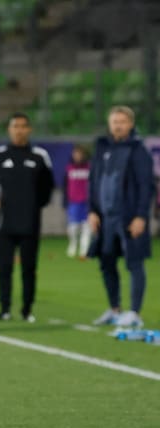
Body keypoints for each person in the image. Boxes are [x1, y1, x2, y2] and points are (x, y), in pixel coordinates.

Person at [0, 112, 54, 322]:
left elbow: (48, 187)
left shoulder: (39, 156)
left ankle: (27, 310)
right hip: (5, 222)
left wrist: (33, 205)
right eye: (15, 126)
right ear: (9, 129)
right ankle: (4, 309)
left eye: (23, 126)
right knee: (4, 268)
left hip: (30, 222)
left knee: (29, 268)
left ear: (29, 129)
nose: (19, 130)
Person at [88, 106, 153, 328]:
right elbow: (93, 181)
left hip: (128, 217)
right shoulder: (102, 148)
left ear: (131, 124)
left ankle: (134, 312)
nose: (118, 125)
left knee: (134, 263)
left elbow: (146, 186)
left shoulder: (138, 150)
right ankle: (114, 309)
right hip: (105, 217)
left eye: (122, 122)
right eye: (114, 121)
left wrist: (141, 216)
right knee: (106, 262)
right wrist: (92, 211)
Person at [63, 144, 91, 258]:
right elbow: (65, 185)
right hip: (73, 203)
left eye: (80, 154)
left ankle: (85, 250)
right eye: (76, 154)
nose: (78, 156)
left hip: (87, 203)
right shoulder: (69, 168)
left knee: (87, 227)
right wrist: (65, 200)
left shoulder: (90, 168)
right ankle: (73, 244)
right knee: (73, 228)